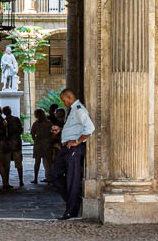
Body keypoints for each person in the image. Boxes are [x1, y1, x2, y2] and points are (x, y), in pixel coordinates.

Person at [48, 88, 94, 220]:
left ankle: (71, 211)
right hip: (66, 148)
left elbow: (90, 128)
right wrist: (61, 129)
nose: (63, 102)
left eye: (63, 100)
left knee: (72, 179)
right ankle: (73, 200)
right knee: (54, 174)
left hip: (73, 149)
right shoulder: (72, 110)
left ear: (69, 98)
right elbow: (75, 127)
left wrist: (78, 141)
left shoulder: (79, 109)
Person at [2, 106, 24, 187]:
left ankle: (6, 182)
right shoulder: (16, 119)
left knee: (6, 165)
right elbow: (21, 130)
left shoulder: (3, 121)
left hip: (7, 144)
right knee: (18, 164)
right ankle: (21, 180)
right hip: (16, 143)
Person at [30, 108, 53, 184]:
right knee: (48, 162)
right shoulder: (49, 123)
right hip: (47, 143)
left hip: (38, 143)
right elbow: (53, 133)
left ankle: (35, 178)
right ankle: (49, 177)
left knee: (37, 162)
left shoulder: (36, 124)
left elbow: (32, 134)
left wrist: (35, 140)